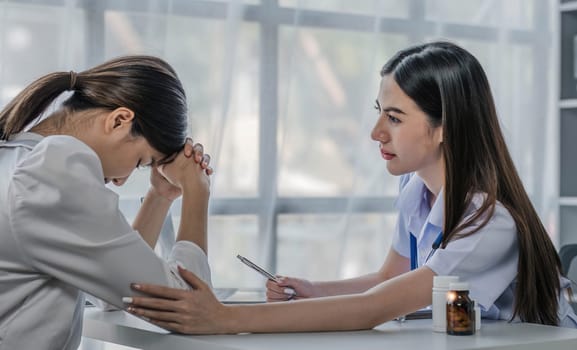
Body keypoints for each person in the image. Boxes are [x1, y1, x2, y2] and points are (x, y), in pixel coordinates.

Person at [123, 41, 577, 333]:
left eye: (395, 118)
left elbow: (375, 307)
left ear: (444, 127)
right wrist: (313, 289)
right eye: (379, 111)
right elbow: (389, 279)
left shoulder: (490, 220)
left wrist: (224, 318)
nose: (376, 132)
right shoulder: (416, 193)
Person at [0, 56, 214, 349]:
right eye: (141, 162)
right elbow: (188, 307)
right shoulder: (52, 168)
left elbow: (111, 291)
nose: (121, 180)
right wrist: (196, 189)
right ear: (119, 120)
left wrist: (159, 196)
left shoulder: (16, 156)